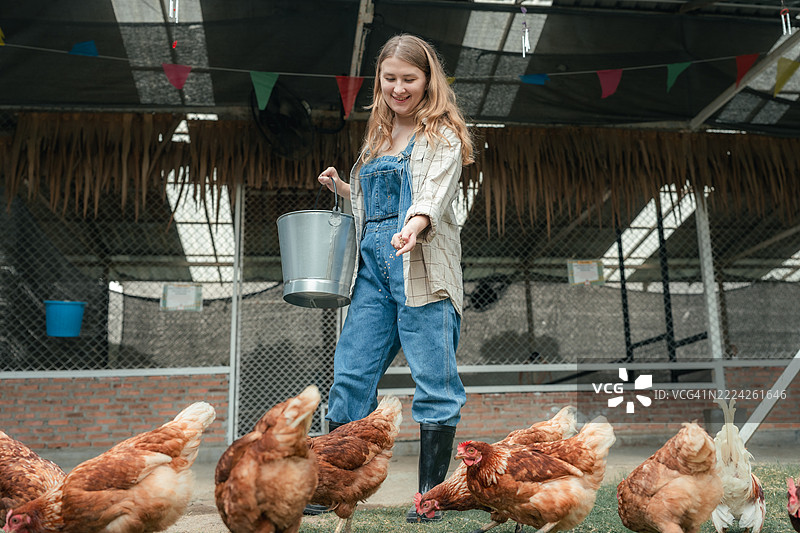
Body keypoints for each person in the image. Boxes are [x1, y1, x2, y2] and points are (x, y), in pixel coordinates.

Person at [316, 33, 474, 523]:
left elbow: (436, 189)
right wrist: (344, 188)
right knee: (351, 373)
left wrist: (414, 225)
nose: (399, 88)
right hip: (373, 275)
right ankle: (333, 486)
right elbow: (370, 207)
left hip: (422, 269)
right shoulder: (378, 138)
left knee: (434, 381)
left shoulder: (441, 134)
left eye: (410, 78)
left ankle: (430, 499)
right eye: (390, 79)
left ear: (428, 81)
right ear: (379, 81)